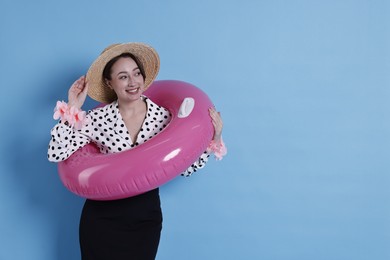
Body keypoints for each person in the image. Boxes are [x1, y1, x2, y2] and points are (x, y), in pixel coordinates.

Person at [47, 42, 226, 260]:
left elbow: (185, 168)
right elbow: (56, 152)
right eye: (123, 77)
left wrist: (214, 138)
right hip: (102, 218)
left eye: (136, 74)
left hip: (144, 218)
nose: (133, 82)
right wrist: (73, 106)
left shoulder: (164, 117)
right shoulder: (96, 119)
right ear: (109, 82)